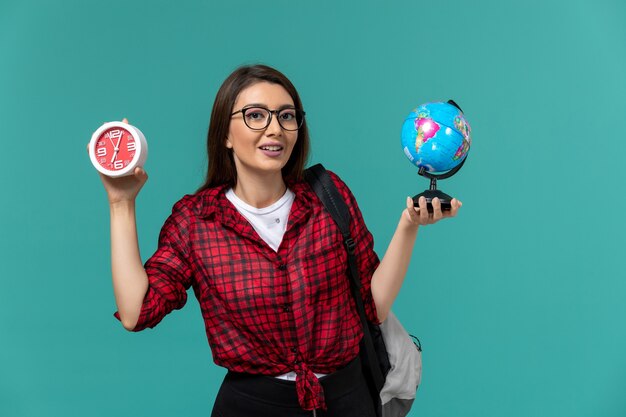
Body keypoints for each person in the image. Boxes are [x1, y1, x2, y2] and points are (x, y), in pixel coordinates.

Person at [97, 64, 462, 417]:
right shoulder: (196, 221)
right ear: (225, 133)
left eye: (287, 116)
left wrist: (408, 224)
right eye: (256, 115)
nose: (275, 129)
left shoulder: (327, 196)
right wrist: (121, 202)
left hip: (348, 401)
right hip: (253, 406)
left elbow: (373, 306)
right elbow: (135, 311)